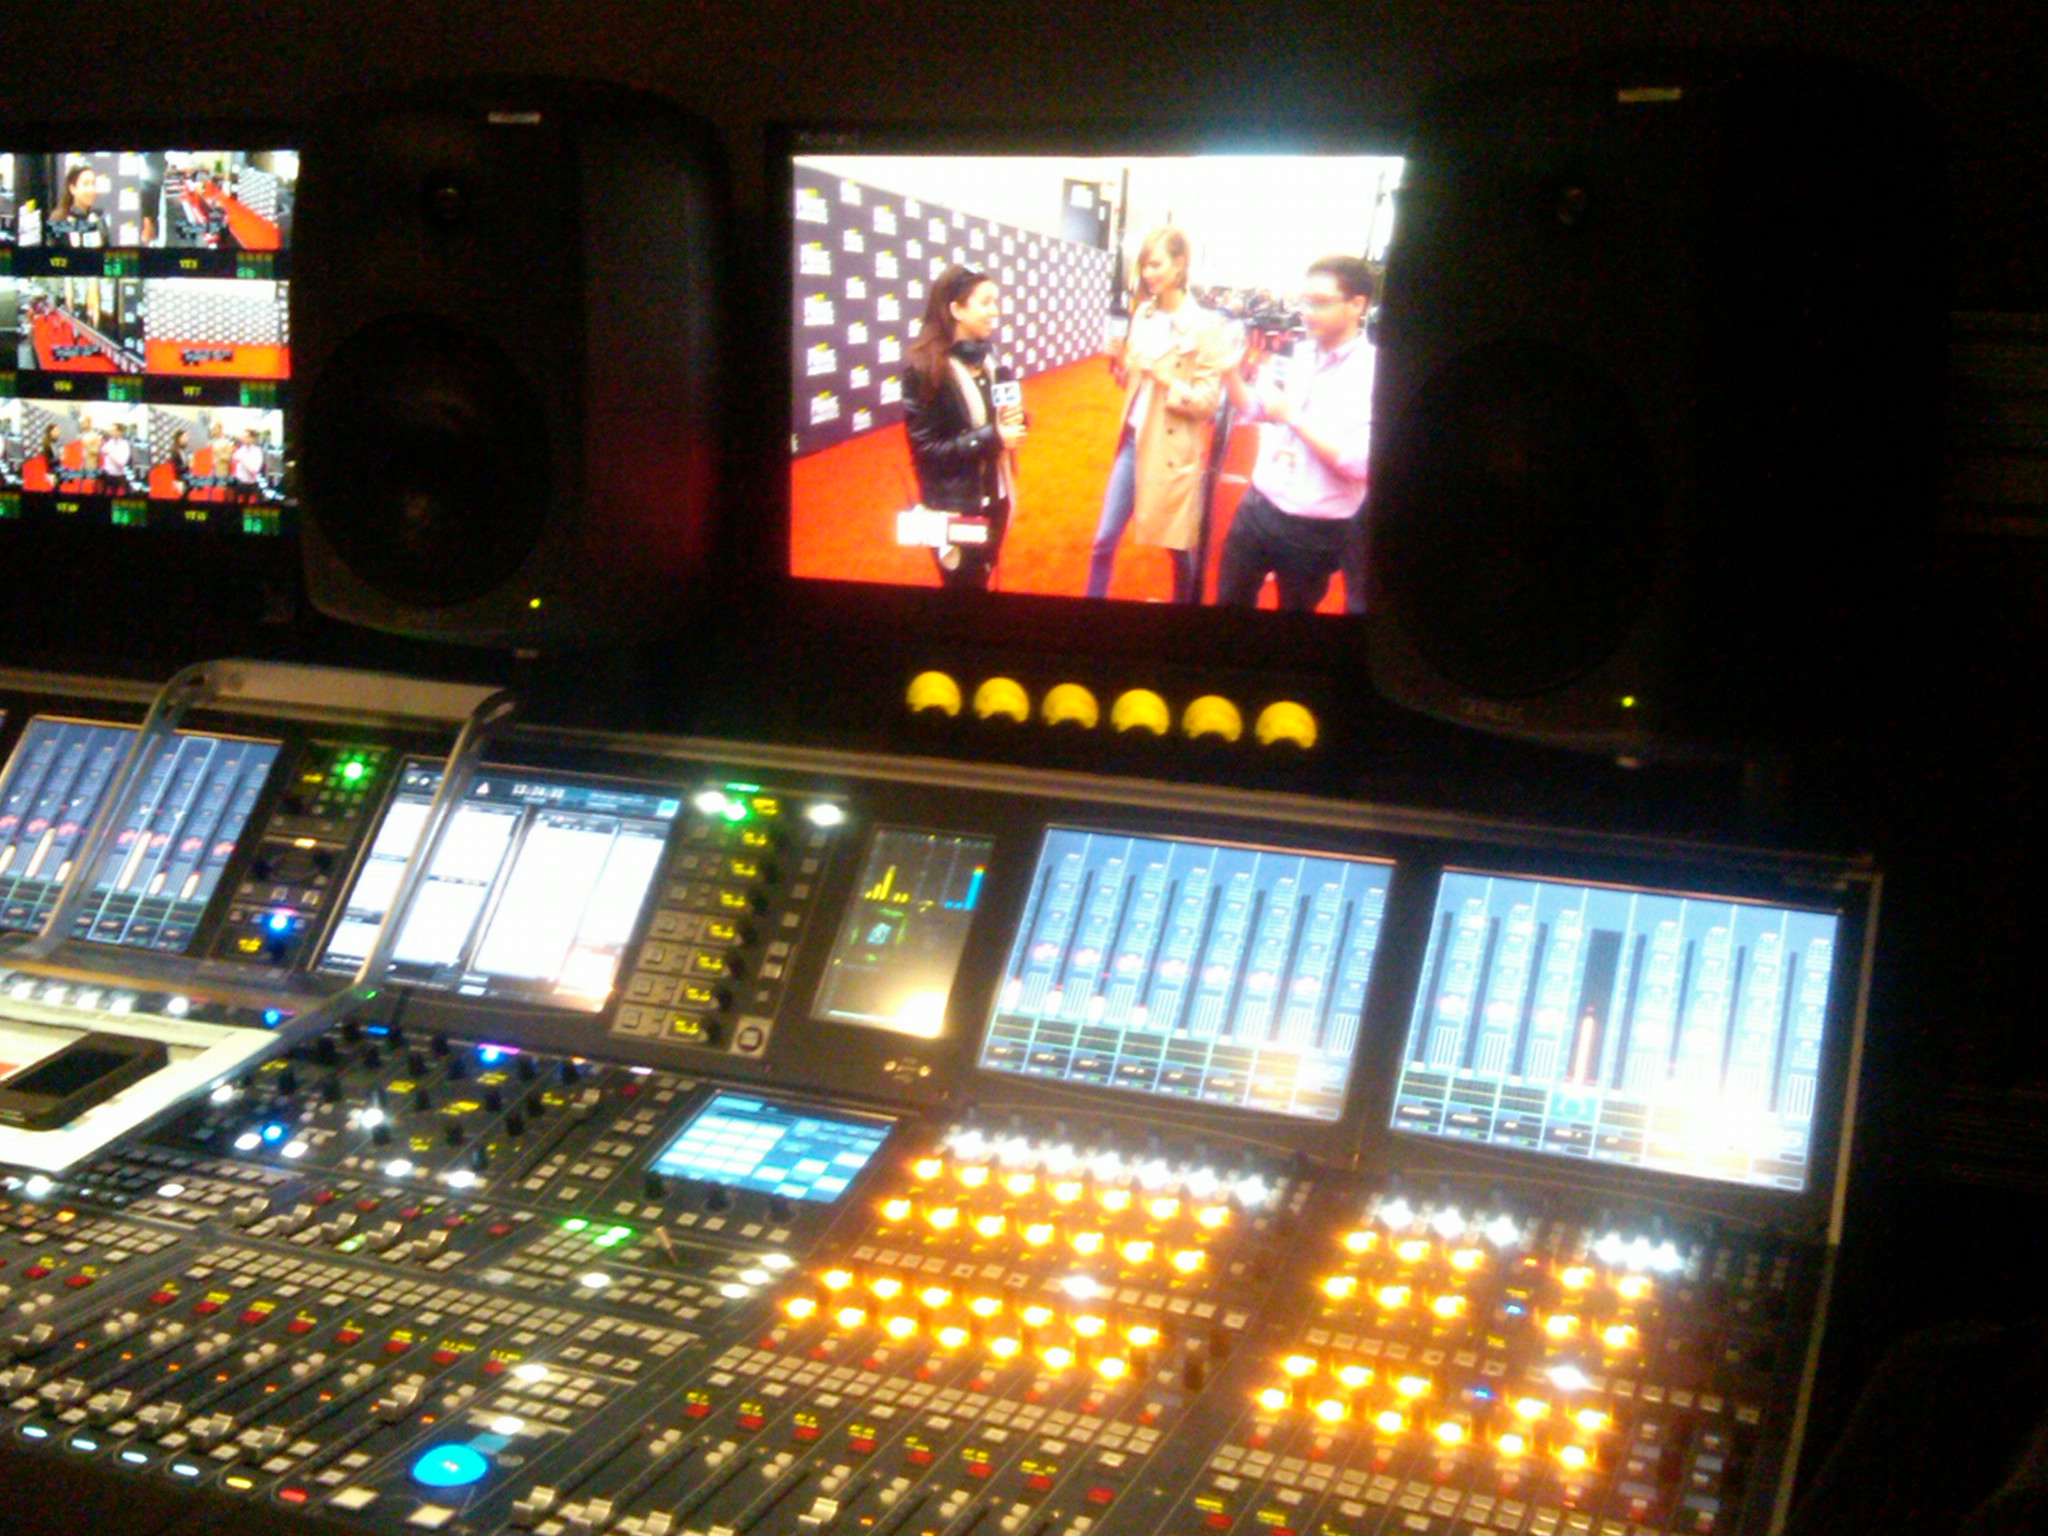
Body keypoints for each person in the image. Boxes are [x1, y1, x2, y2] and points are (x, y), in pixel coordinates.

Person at [1217, 255, 1378, 612]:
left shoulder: (1374, 372)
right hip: (1257, 505)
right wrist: (1229, 374)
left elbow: (1360, 463)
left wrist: (1294, 419)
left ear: (1357, 305)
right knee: (1228, 604)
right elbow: (1256, 409)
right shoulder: (1297, 353)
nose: (1307, 312)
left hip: (1315, 530)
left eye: (1320, 302)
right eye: (1305, 301)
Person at [1086, 227, 1234, 604]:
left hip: (1171, 452)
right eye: (1144, 265)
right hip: (1133, 442)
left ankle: (1184, 610)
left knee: (1178, 549)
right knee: (1103, 539)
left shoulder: (1205, 326)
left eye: (1156, 264)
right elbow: (1134, 382)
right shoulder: (1144, 314)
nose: (1148, 273)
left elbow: (1208, 404)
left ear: (1179, 264)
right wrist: (1121, 363)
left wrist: (1168, 380)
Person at [900, 265, 1026, 590]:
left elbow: (996, 419)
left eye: (996, 302)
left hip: (996, 498)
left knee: (982, 581)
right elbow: (928, 451)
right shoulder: (924, 369)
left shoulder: (990, 362)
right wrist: (994, 437)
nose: (995, 312)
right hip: (954, 506)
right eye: (986, 303)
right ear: (956, 310)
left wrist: (1018, 420)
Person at [48, 165, 110, 248]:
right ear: (72, 189)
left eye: (93, 184)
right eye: (86, 184)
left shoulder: (99, 218)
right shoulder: (59, 219)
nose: (91, 189)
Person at [229, 428, 265, 502]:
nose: (244, 438)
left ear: (252, 438)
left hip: (250, 483)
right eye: (243, 436)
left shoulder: (257, 451)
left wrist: (243, 460)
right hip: (240, 482)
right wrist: (232, 452)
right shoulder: (242, 449)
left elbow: (254, 470)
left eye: (246, 436)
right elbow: (234, 458)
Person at [99, 422, 133, 497]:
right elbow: (102, 452)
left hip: (118, 477)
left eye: (113, 430)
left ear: (119, 432)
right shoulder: (110, 442)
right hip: (107, 475)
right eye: (111, 430)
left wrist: (110, 453)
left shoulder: (124, 445)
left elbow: (121, 462)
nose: (111, 432)